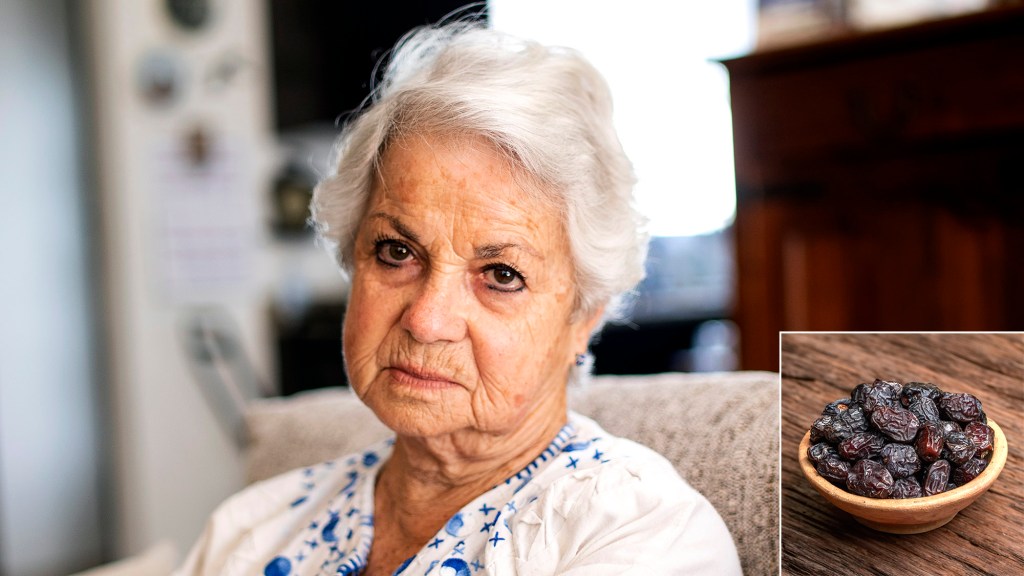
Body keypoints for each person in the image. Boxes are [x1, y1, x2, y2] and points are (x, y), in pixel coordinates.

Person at [176, 22, 741, 576]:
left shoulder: (646, 539)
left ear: (583, 317)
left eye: (501, 274)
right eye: (397, 251)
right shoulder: (249, 531)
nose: (426, 320)